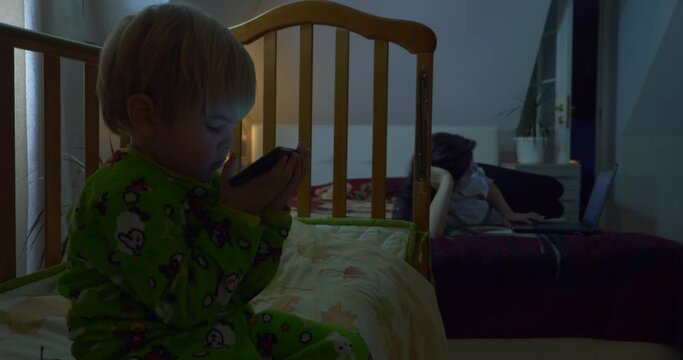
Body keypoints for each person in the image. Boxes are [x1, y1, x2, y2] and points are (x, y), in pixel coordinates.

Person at [56, 4, 370, 359]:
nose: (228, 141)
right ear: (146, 116)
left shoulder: (199, 183)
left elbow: (235, 288)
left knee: (347, 347)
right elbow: (185, 305)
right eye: (214, 126)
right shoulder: (123, 194)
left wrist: (270, 213)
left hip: (212, 329)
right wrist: (236, 217)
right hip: (144, 346)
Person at [393, 132, 550, 229]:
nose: (474, 172)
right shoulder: (430, 204)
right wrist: (446, 182)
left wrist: (508, 213)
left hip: (498, 193)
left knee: (552, 188)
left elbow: (487, 183)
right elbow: (431, 234)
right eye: (469, 170)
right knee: (552, 209)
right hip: (462, 185)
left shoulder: (474, 176)